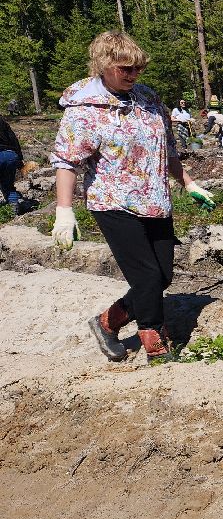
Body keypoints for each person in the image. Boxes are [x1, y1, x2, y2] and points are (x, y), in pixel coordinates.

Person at [50, 30, 214, 362]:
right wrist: (63, 211)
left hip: (154, 200)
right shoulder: (84, 109)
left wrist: (189, 184)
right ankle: (155, 341)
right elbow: (67, 161)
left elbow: (166, 151)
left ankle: (106, 322)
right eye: (125, 69)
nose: (133, 75)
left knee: (163, 275)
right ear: (103, 64)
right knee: (147, 276)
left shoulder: (149, 99)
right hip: (113, 202)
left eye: (137, 68)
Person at [0, 113, 24, 210]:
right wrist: (20, 161)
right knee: (8, 185)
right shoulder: (3, 122)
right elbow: (14, 140)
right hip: (11, 155)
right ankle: (14, 208)